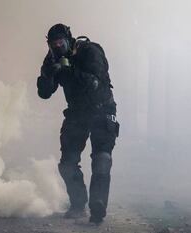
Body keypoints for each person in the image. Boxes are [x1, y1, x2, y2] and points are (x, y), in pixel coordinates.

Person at [36, 24, 119, 224]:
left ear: (69, 40)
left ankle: (98, 205)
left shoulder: (90, 51)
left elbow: (94, 84)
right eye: (53, 44)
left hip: (102, 109)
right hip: (77, 113)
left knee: (101, 159)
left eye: (60, 43)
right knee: (67, 163)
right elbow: (45, 93)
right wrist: (48, 75)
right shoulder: (53, 59)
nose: (57, 47)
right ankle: (78, 204)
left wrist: (69, 70)